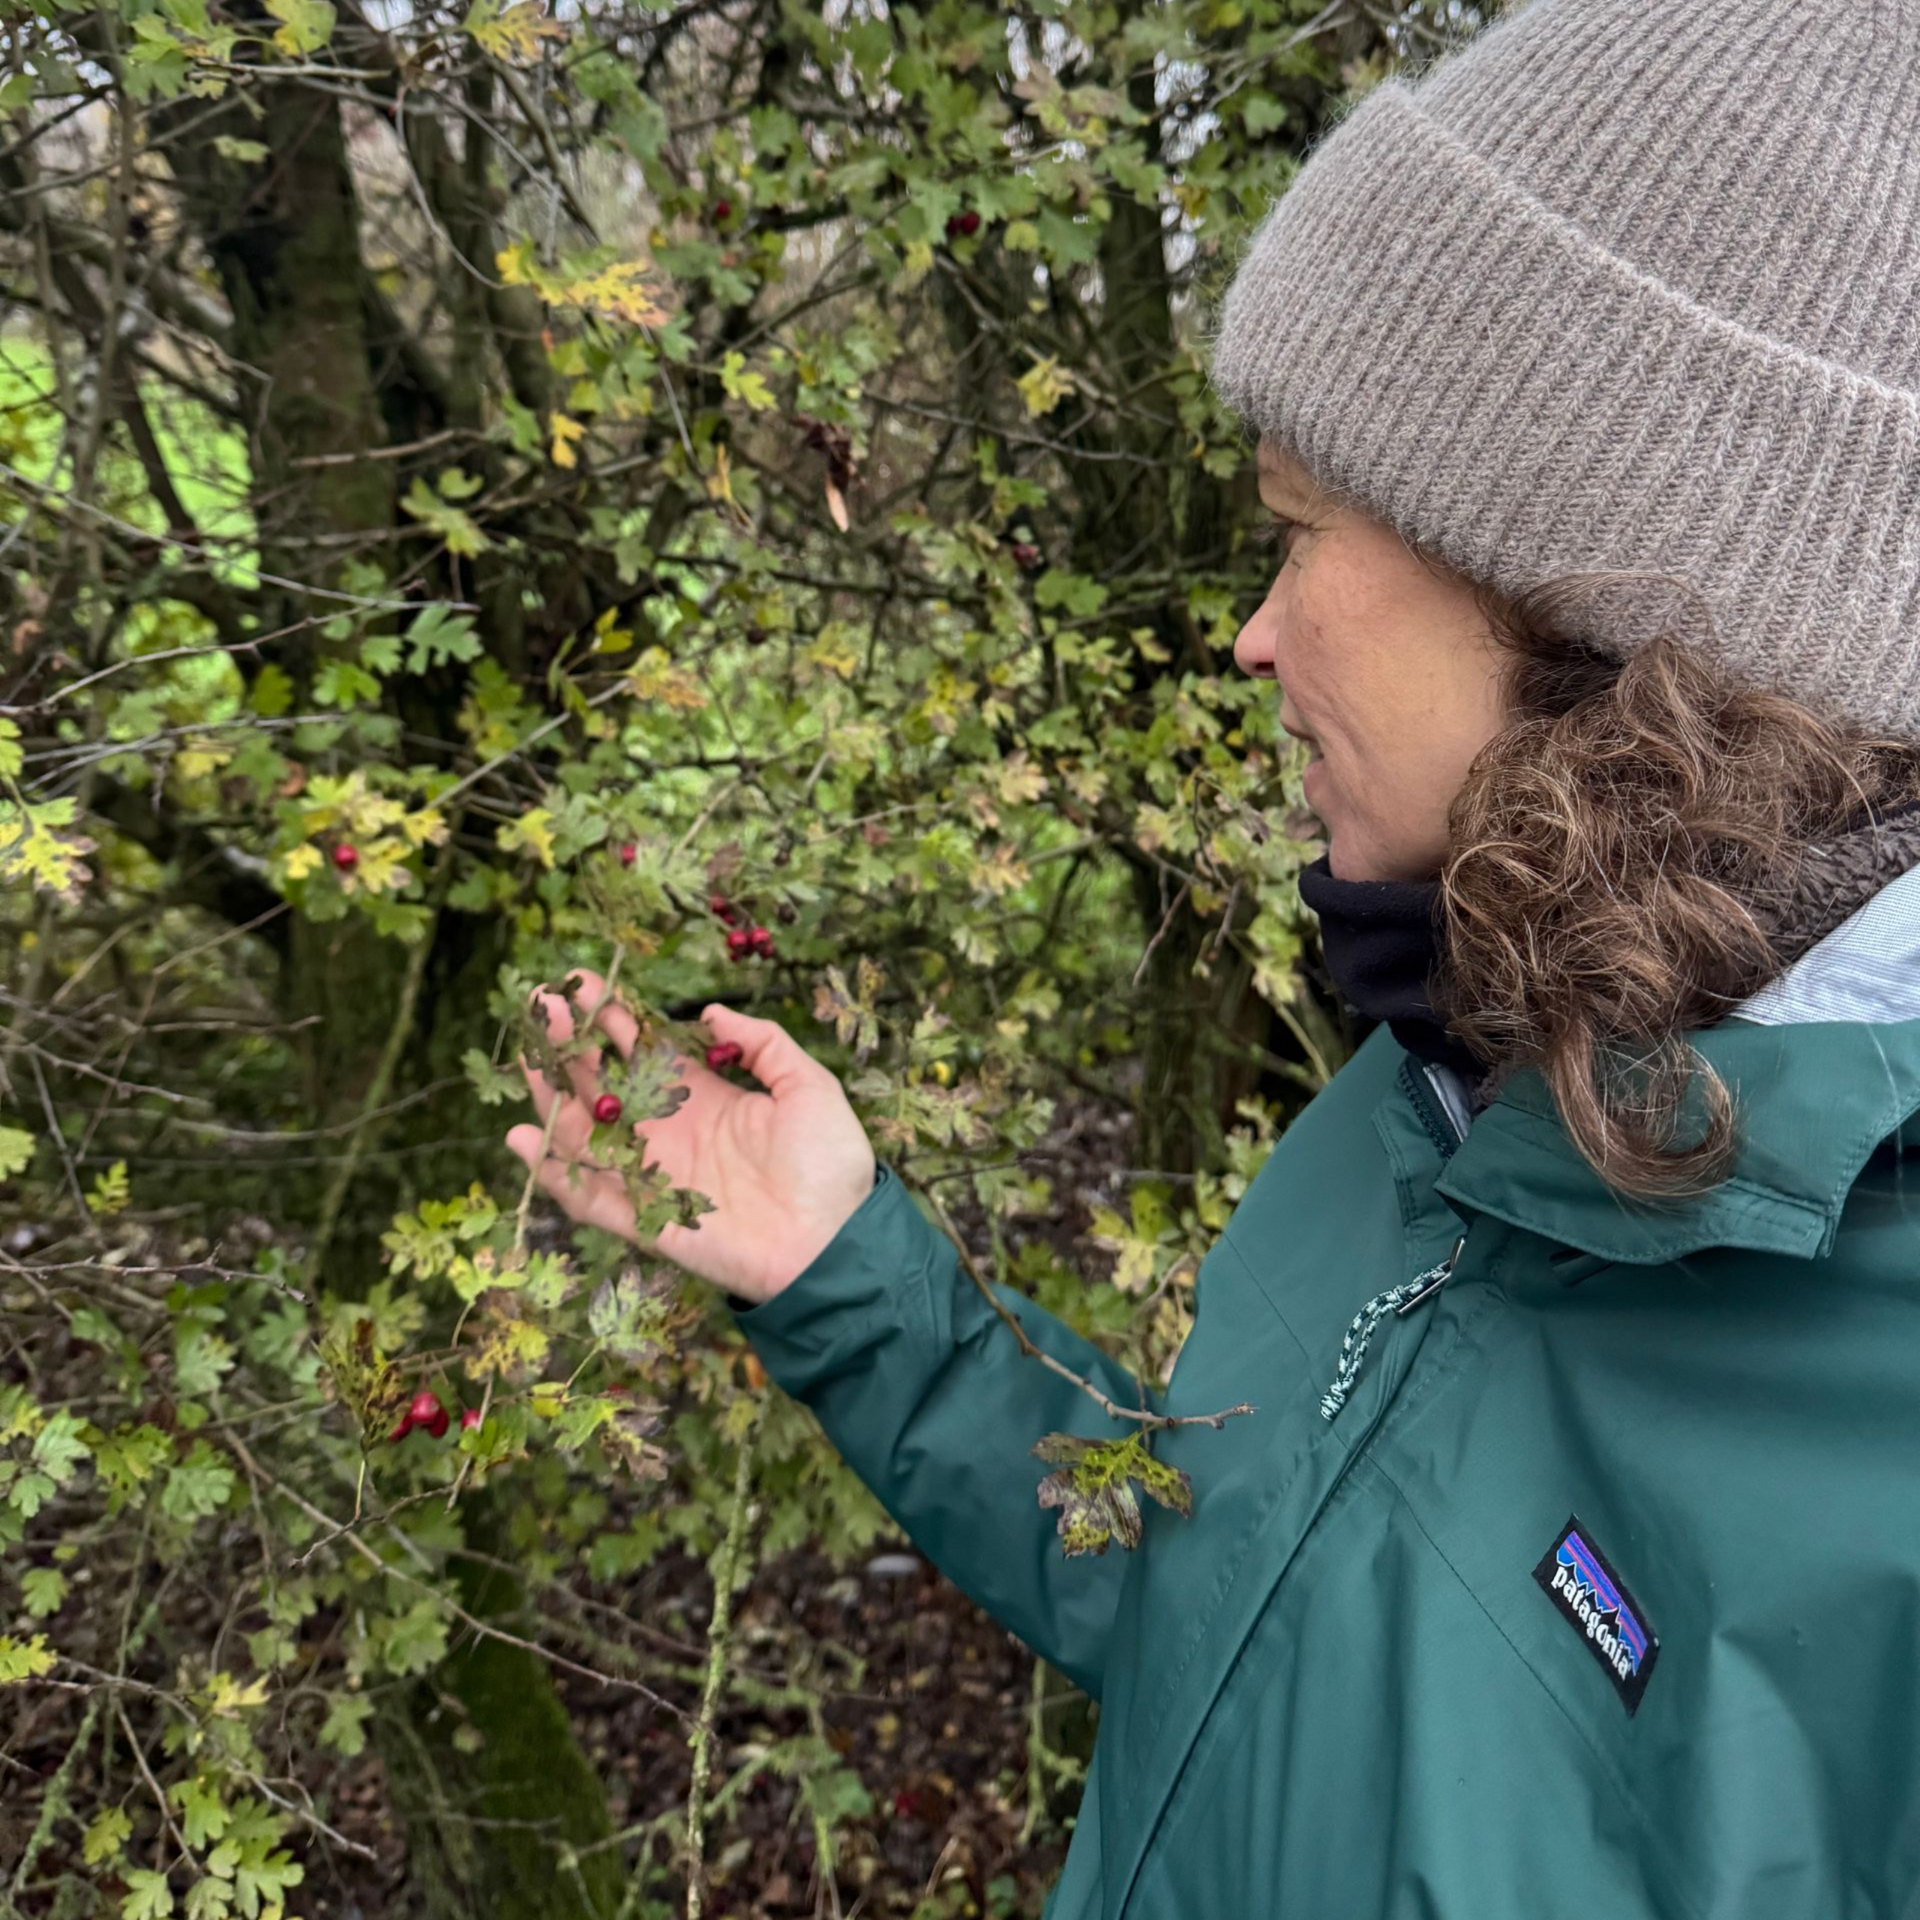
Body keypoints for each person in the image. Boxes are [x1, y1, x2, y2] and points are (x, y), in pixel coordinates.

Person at [507, 2, 1920, 1911]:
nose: (1252, 636)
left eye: (1298, 528)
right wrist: (849, 1280)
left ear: (1581, 588)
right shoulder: (1452, 1082)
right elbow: (1229, 1605)